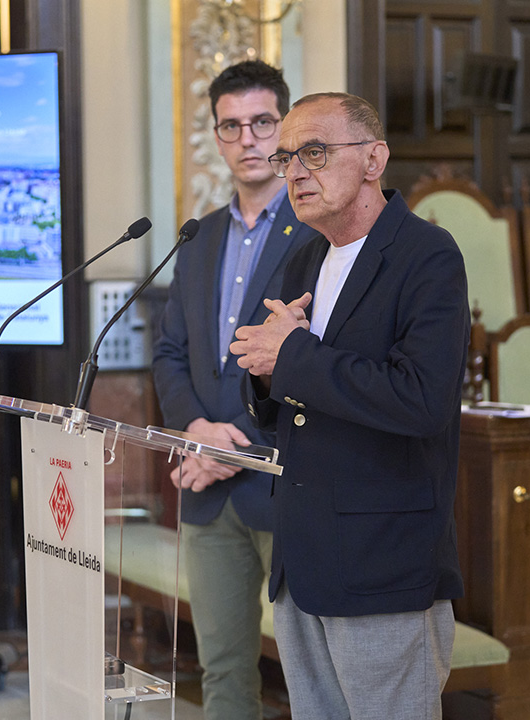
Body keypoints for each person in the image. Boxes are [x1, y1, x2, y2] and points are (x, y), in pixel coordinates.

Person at [228, 92, 470, 720]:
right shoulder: (304, 255)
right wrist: (263, 376)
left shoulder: (427, 255)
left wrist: (293, 359)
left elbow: (421, 400)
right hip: (303, 558)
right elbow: (292, 397)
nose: (295, 173)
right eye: (287, 157)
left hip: (382, 562)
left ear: (373, 159)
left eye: (314, 152)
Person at [152, 60, 317, 720]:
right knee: (220, 667)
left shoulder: (313, 231)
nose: (247, 139)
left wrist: (239, 440)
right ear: (216, 138)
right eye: (231, 126)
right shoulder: (198, 238)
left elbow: (317, 360)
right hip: (207, 485)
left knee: (308, 669)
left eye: (262, 123)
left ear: (285, 129)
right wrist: (196, 430)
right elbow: (169, 354)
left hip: (285, 480)